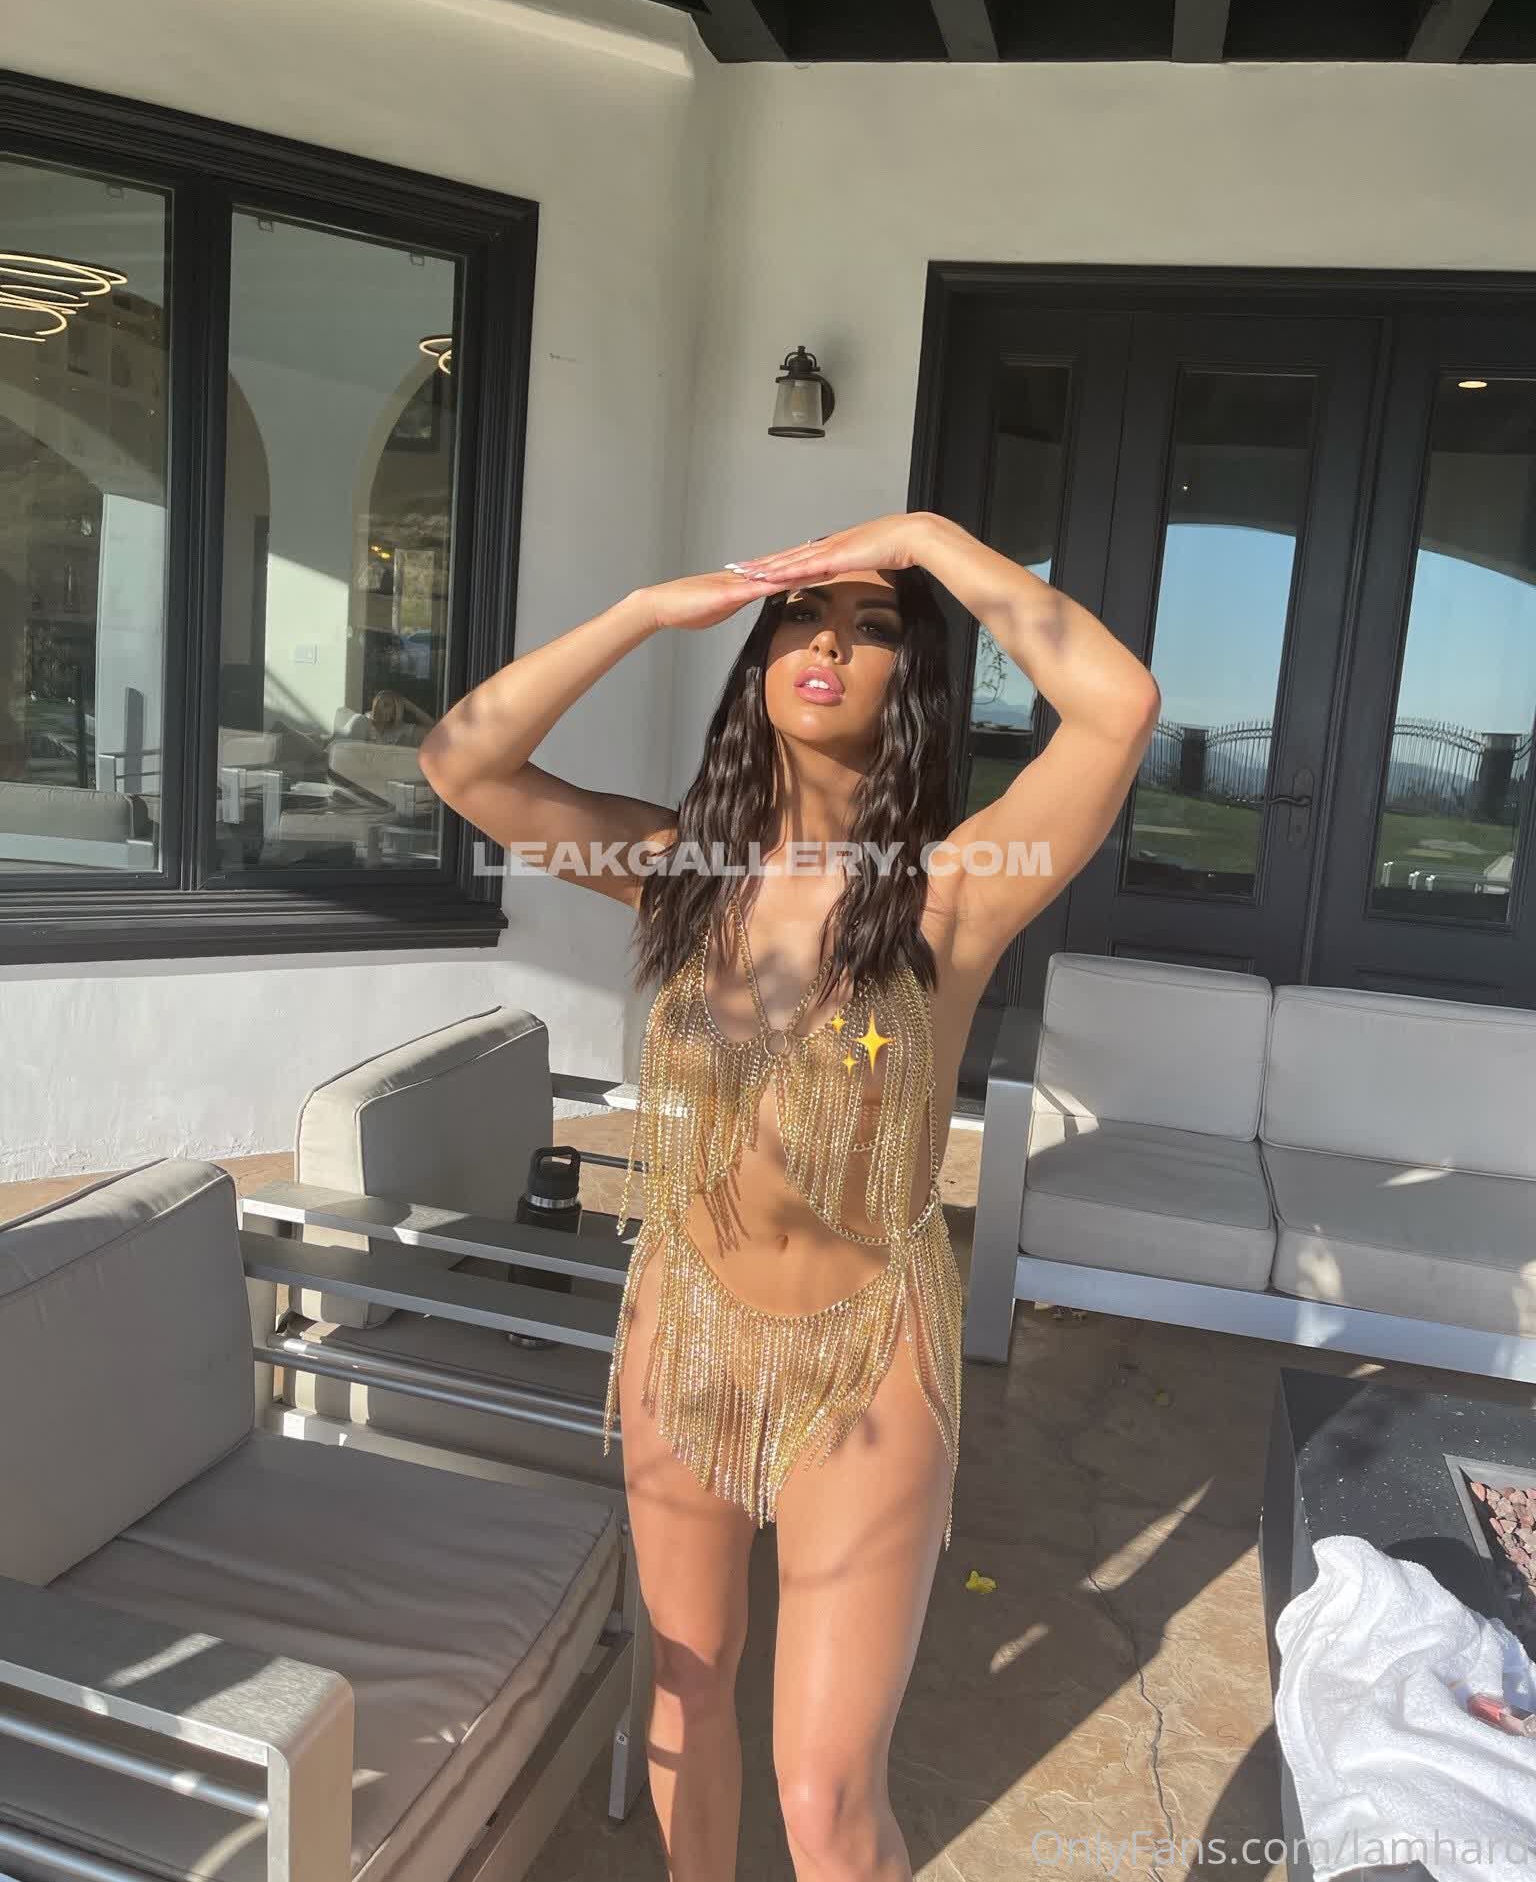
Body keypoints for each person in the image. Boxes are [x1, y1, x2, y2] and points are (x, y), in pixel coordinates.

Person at [416, 508, 1160, 1882]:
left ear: (909, 682)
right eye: (802, 616)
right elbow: (462, 759)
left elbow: (1117, 707)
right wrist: (646, 610)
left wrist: (929, 538)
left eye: (873, 627)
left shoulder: (954, 893)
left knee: (823, 1796)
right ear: (757, 656)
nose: (829, 642)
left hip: (869, 1354)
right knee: (686, 1699)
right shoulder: (678, 875)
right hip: (684, 1331)